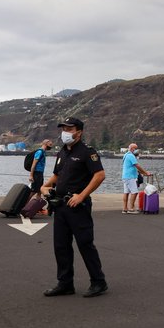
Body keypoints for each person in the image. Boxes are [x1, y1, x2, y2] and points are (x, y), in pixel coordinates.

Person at [41, 117, 108, 298]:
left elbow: (100, 175)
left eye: (69, 128)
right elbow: (57, 176)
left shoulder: (87, 152)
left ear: (79, 132)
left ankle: (98, 282)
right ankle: (65, 283)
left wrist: (82, 195)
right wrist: (45, 186)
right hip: (61, 206)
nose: (65, 132)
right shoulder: (62, 152)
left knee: (85, 244)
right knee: (61, 246)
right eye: (63, 128)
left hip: (78, 205)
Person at [121, 143, 152, 214]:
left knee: (126, 192)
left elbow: (131, 166)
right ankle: (131, 209)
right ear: (132, 149)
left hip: (125, 176)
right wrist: (145, 172)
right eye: (136, 148)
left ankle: (125, 208)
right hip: (130, 177)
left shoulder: (125, 155)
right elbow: (137, 165)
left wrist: (142, 172)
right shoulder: (131, 156)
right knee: (134, 192)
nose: (137, 150)